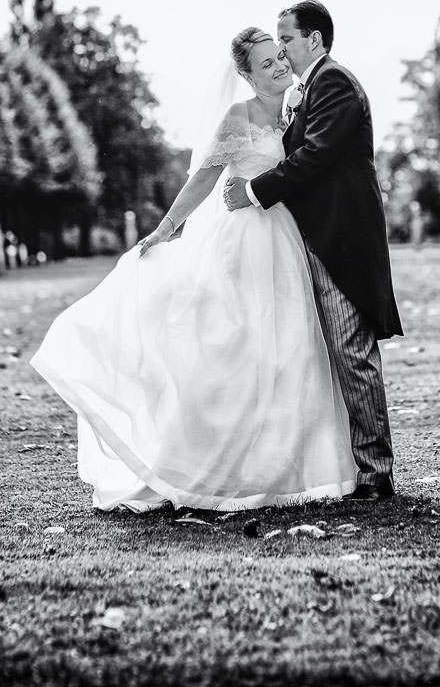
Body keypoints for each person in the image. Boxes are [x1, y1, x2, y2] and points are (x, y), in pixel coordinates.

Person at [30, 27, 356, 512]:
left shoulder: (297, 110)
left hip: (285, 242)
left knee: (290, 350)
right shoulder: (238, 117)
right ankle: (206, 467)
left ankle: (285, 468)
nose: (278, 66)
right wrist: (165, 230)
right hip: (241, 243)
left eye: (278, 57)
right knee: (235, 345)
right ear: (245, 75)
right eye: (265, 63)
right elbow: (204, 179)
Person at [225, 1, 402, 501]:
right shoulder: (308, 89)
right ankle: (358, 465)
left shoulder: (334, 83)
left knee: (351, 350)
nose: (279, 48)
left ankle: (374, 472)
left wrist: (255, 191)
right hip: (319, 237)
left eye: (286, 38)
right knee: (335, 354)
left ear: (314, 41)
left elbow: (315, 156)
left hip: (341, 238)